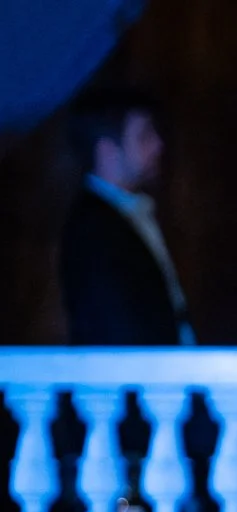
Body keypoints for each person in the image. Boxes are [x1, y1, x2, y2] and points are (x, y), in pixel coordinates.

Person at [60, 87, 195, 346]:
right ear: (107, 151)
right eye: (144, 136)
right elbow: (117, 324)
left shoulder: (129, 213)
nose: (158, 145)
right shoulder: (92, 230)